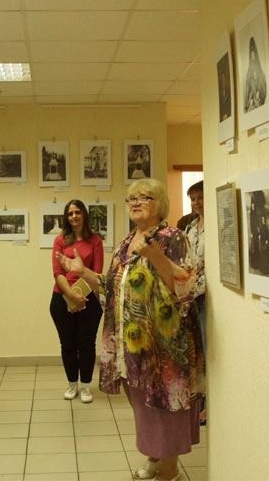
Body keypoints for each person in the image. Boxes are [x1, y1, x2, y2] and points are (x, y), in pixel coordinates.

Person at [57, 178, 203, 481]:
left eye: (144, 197)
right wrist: (83, 272)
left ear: (159, 204)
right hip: (132, 345)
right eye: (131, 198)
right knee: (144, 406)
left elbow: (185, 287)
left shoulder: (172, 238)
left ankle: (170, 473)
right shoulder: (126, 242)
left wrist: (156, 257)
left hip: (164, 346)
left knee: (164, 408)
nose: (135, 202)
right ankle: (154, 459)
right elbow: (112, 288)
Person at [50, 199, 104, 403]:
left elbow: (97, 274)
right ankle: (72, 384)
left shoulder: (95, 241)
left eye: (77, 212)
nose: (74, 216)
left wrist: (80, 297)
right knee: (68, 344)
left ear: (84, 215)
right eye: (70, 213)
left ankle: (86, 386)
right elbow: (57, 272)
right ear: (66, 217)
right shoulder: (60, 240)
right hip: (62, 298)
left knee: (87, 344)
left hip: (89, 299)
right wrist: (72, 297)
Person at [183, 181, 206, 424]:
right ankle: (198, 401)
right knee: (194, 353)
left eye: (201, 197)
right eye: (193, 199)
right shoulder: (190, 227)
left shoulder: (215, 226)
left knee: (207, 351)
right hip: (190, 295)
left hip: (206, 296)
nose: (197, 203)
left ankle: (207, 405)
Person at [244, 37, 267, 112]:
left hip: (258, 98)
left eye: (254, 53)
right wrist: (250, 98)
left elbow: (262, 83)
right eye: (251, 53)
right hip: (252, 100)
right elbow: (249, 87)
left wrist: (259, 93)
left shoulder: (259, 69)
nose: (252, 55)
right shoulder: (249, 71)